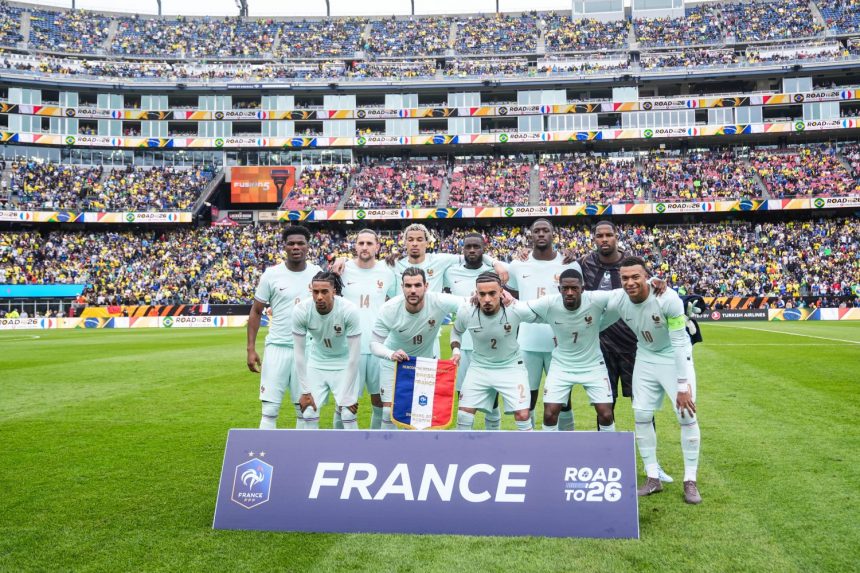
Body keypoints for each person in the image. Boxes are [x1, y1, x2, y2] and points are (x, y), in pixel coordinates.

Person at [579, 220, 673, 482]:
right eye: (600, 235)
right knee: (604, 406)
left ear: (616, 237)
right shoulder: (584, 263)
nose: (605, 239)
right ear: (594, 238)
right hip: (600, 347)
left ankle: (652, 467)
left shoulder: (631, 265)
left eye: (609, 235)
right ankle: (605, 462)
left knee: (642, 408)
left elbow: (649, 286)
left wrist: (657, 282)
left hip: (634, 345)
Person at [604, 256, 702, 505]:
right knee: (641, 415)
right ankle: (652, 478)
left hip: (673, 358)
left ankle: (690, 480)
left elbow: (680, 342)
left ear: (647, 276)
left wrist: (682, 386)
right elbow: (589, 299)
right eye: (625, 278)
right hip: (645, 357)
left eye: (635, 276)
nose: (630, 282)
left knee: (686, 416)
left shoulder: (668, 298)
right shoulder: (618, 298)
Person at [506, 218, 582, 429]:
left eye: (545, 230)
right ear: (530, 235)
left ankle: (566, 443)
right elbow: (511, 300)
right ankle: (528, 445)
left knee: (563, 401)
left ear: (553, 234)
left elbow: (578, 299)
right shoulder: (517, 264)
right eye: (536, 231)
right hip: (527, 342)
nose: (541, 234)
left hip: (560, 343)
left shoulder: (569, 264)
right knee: (527, 398)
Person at [370, 268, 466, 431]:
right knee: (388, 411)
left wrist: (504, 297)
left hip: (425, 364)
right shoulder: (389, 309)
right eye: (408, 286)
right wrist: (390, 354)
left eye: (417, 285)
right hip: (394, 363)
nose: (413, 290)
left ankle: (415, 452)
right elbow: (374, 344)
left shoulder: (439, 301)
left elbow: (469, 303)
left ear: (426, 286)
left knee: (422, 414)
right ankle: (387, 453)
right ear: (402, 287)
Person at [247, 225, 322, 430]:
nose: (296, 247)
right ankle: (267, 455)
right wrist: (251, 349)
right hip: (277, 348)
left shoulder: (318, 273)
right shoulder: (271, 275)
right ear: (284, 247)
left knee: (306, 410)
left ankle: (303, 458)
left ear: (308, 247)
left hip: (307, 349)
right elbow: (256, 311)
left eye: (300, 243)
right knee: (269, 410)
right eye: (291, 243)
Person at [451, 272, 534, 431]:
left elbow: (542, 314)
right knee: (463, 416)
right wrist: (456, 350)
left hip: (511, 367)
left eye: (492, 293)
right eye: (482, 294)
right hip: (479, 367)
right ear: (476, 293)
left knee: (523, 415)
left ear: (501, 292)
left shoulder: (514, 308)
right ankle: (462, 454)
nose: (487, 299)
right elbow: (456, 332)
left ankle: (527, 454)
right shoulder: (467, 310)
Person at [339, 229, 398, 429]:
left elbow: (398, 303)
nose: (365, 247)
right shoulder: (342, 269)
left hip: (378, 346)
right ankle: (338, 447)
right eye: (361, 243)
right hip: (349, 347)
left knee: (380, 402)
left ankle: (376, 448)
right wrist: (339, 259)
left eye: (369, 243)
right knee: (344, 403)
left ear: (377, 247)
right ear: (355, 246)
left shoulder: (388, 273)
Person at [444, 232, 501, 430]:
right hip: (462, 346)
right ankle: (464, 440)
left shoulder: (494, 272)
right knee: (464, 396)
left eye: (476, 246)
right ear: (462, 249)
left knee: (492, 397)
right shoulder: (451, 272)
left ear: (484, 250)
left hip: (490, 346)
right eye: (468, 247)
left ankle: (494, 439)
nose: (472, 250)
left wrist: (493, 261)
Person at [292, 271, 362, 430]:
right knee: (308, 412)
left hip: (344, 364)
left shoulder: (349, 310)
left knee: (348, 413)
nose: (319, 297)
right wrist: (305, 390)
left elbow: (354, 356)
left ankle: (352, 454)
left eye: (324, 292)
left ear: (334, 292)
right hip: (317, 363)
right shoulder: (301, 310)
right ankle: (310, 454)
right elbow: (299, 354)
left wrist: (349, 393)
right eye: (315, 292)